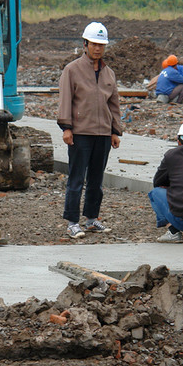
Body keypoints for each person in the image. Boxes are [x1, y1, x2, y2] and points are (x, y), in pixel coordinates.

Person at [57, 21, 122, 239]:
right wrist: (66, 127)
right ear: (85, 44)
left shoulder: (109, 73)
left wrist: (115, 131)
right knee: (76, 179)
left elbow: (114, 103)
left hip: (103, 134)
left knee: (96, 181)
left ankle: (92, 219)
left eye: (101, 45)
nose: (97, 48)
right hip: (80, 133)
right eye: (94, 44)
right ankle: (72, 222)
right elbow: (65, 99)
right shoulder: (72, 70)